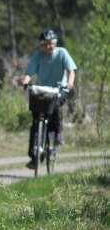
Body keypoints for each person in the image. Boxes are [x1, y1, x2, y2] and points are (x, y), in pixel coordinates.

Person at [20, 29, 76, 169]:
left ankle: (57, 134)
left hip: (59, 89)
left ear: (55, 43)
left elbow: (71, 70)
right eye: (45, 44)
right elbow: (30, 72)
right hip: (42, 91)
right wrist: (25, 81)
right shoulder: (38, 55)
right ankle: (34, 157)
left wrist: (69, 83)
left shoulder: (62, 53)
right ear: (41, 45)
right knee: (35, 121)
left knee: (55, 107)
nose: (48, 47)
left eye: (50, 44)